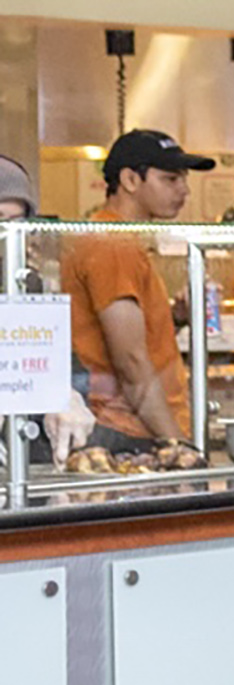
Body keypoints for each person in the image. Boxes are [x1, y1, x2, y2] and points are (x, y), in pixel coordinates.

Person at [60, 130, 213, 465]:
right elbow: (131, 363)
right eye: (170, 179)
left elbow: (119, 332)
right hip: (127, 431)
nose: (184, 190)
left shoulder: (120, 240)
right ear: (130, 179)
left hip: (131, 428)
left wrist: (174, 317)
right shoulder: (114, 246)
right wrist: (178, 445)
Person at [0, 154, 97, 469]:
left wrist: (62, 395)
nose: (8, 237)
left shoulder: (23, 283)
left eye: (18, 225)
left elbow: (47, 361)